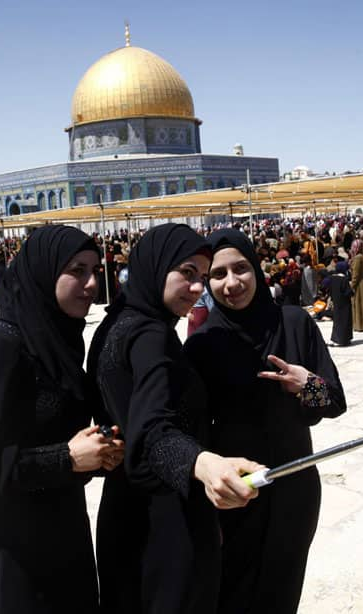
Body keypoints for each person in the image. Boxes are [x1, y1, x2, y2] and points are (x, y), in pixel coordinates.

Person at [87, 222, 262, 614]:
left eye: (202, 277)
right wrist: (203, 464)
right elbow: (152, 430)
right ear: (156, 266)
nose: (198, 289)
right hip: (165, 522)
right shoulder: (152, 336)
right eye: (187, 274)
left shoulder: (114, 324)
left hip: (124, 513)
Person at [0, 225, 124, 613]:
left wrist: (96, 453)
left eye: (96, 270)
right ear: (44, 272)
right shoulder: (1, 350)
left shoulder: (57, 341)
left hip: (64, 535)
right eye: (77, 270)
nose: (91, 283)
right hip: (16, 554)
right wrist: (67, 458)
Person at [184, 228, 347, 614]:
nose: (232, 283)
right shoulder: (202, 345)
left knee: (282, 589)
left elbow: (335, 400)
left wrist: (306, 384)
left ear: (256, 269)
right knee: (232, 593)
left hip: (294, 490)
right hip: (234, 494)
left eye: (240, 268)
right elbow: (192, 431)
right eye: (218, 274)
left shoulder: (294, 323)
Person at [328, 260, 353, 346]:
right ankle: (344, 340)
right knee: (345, 321)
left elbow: (330, 290)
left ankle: (336, 338)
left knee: (337, 321)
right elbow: (347, 292)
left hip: (336, 303)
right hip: (344, 304)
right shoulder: (344, 279)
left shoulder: (332, 278)